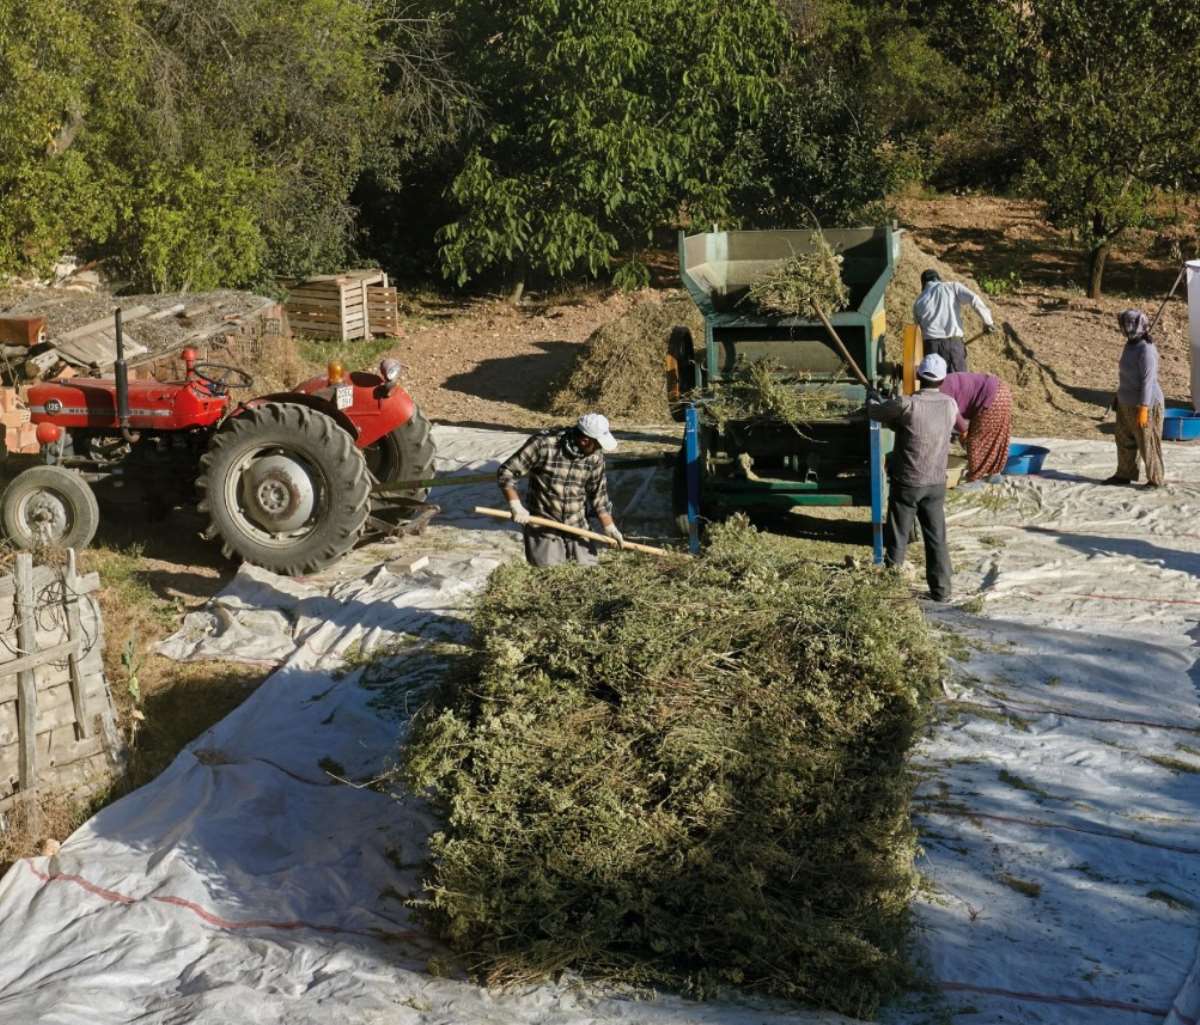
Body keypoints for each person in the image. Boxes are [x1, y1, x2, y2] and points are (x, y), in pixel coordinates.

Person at [868, 353, 959, 602]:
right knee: (936, 537)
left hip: (907, 482)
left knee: (898, 535)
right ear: (942, 380)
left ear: (919, 376)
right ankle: (942, 591)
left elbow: (876, 413)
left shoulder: (906, 404)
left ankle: (891, 588)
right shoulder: (950, 405)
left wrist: (874, 400)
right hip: (936, 483)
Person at [498, 412, 625, 566]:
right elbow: (507, 472)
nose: (599, 449)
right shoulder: (544, 444)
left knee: (587, 573)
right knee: (549, 575)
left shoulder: (594, 457)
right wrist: (515, 505)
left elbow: (599, 494)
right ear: (585, 440)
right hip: (544, 524)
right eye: (597, 444)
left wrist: (609, 526)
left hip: (577, 525)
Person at [1107, 309, 1165, 488]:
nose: (1122, 328)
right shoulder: (1130, 345)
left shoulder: (1146, 350)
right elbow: (1125, 374)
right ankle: (1124, 473)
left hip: (1145, 404)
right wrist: (1118, 397)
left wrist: (1144, 407)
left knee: (1147, 443)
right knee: (1124, 439)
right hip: (1126, 402)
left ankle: (1155, 480)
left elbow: (1148, 381)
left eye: (1125, 324)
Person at [912, 269, 996, 374]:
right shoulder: (952, 287)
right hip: (953, 345)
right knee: (958, 384)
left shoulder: (919, 301)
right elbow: (974, 299)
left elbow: (918, 331)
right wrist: (988, 322)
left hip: (931, 347)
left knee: (934, 385)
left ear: (923, 284)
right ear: (939, 279)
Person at [939, 371, 1013, 483]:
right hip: (1003, 391)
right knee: (996, 437)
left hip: (992, 397)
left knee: (976, 441)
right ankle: (994, 474)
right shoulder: (948, 379)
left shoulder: (942, 389)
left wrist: (963, 431)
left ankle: (975, 480)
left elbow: (953, 412)